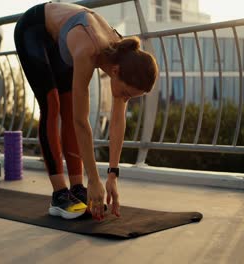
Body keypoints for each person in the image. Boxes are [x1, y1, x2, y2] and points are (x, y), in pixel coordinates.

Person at [14, 2, 158, 221]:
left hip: (63, 39)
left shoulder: (123, 57)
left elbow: (118, 123)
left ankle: (77, 188)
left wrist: (112, 175)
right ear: (116, 72)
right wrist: (94, 179)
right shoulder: (87, 51)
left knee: (70, 103)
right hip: (34, 30)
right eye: (127, 94)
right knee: (52, 104)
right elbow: (82, 122)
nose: (125, 99)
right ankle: (59, 194)